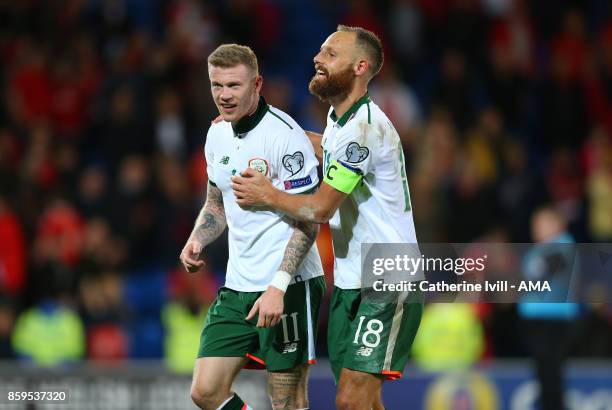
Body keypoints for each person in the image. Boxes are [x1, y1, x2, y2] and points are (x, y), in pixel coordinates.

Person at [232, 26, 423, 410]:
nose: (318, 58)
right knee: (362, 402)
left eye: (331, 54)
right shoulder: (340, 121)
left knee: (351, 400)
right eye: (320, 50)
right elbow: (320, 145)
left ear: (360, 67)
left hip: (386, 277)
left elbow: (321, 208)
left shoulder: (363, 129)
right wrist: (253, 126)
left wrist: (267, 195)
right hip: (352, 279)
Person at [180, 43, 325, 410]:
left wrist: (278, 287)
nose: (224, 96)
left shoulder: (286, 138)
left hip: (288, 285)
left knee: (287, 402)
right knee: (205, 391)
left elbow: (309, 219)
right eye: (217, 86)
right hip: (238, 285)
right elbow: (216, 203)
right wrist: (198, 238)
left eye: (234, 85)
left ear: (256, 83)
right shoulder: (216, 135)